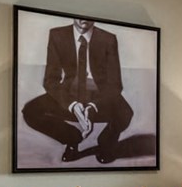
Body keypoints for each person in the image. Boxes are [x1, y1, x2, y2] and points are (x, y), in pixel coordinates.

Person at [22, 18, 133, 163]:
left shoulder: (108, 39)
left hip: (99, 95)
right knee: (31, 111)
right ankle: (72, 138)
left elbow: (115, 85)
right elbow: (51, 80)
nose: (84, 19)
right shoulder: (57, 35)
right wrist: (72, 105)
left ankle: (106, 143)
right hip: (69, 93)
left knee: (125, 113)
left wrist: (94, 107)